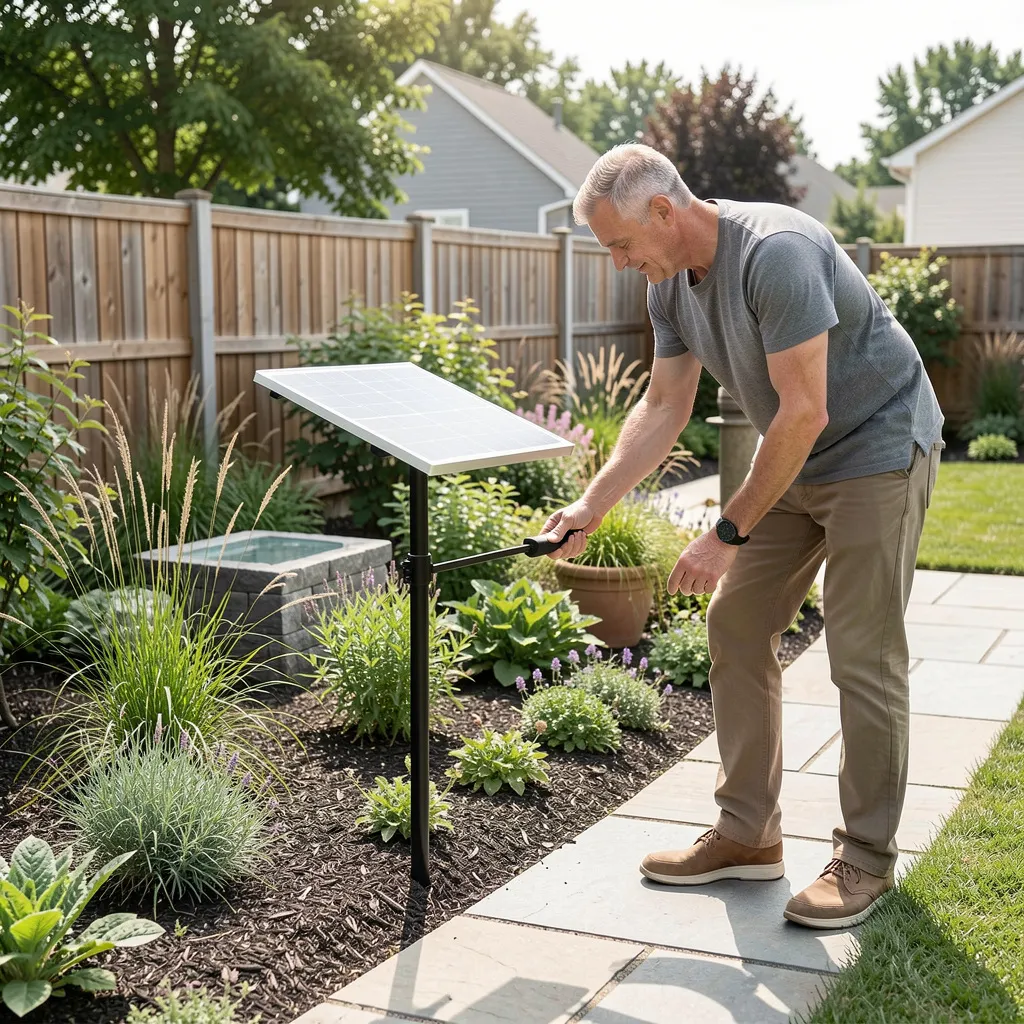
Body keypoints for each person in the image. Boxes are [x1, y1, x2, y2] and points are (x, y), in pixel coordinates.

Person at [541, 143, 943, 930]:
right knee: (736, 624)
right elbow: (663, 407)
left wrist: (726, 531)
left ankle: (865, 859)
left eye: (621, 244)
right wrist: (591, 505)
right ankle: (748, 834)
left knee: (860, 650)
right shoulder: (669, 288)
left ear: (664, 209)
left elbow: (804, 412)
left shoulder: (776, 253)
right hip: (794, 456)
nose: (621, 263)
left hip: (877, 445)